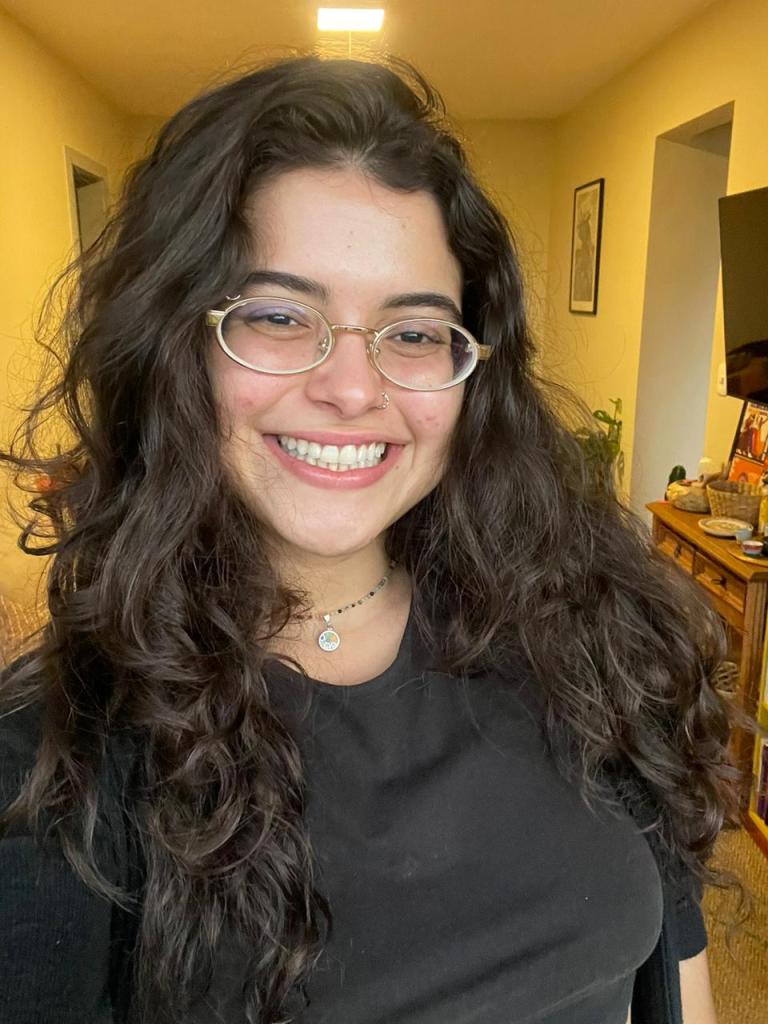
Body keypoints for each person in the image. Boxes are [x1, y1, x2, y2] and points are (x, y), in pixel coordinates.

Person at [0, 56, 741, 1024]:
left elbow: (674, 971)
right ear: (171, 343)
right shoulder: (53, 768)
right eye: (278, 316)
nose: (353, 389)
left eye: (415, 332)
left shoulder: (592, 635)